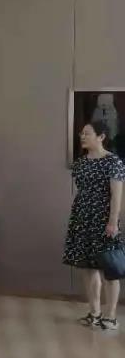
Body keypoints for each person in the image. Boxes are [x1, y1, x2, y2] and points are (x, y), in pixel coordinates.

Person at [65, 121, 125, 331]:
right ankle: (95, 313)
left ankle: (111, 316)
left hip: (104, 220)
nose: (82, 136)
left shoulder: (113, 162)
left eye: (87, 133)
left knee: (110, 269)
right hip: (82, 218)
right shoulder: (80, 163)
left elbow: (117, 196)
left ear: (101, 136)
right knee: (88, 267)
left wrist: (112, 222)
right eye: (81, 133)